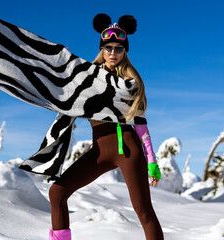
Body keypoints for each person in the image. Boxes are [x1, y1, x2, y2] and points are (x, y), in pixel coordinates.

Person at [48, 14, 164, 240]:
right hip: (100, 150)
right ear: (102, 49)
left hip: (128, 151)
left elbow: (139, 122)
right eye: (108, 48)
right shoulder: (87, 79)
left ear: (125, 52)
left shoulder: (130, 82)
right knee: (57, 192)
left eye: (118, 48)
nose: (113, 52)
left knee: (143, 211)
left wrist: (151, 160)